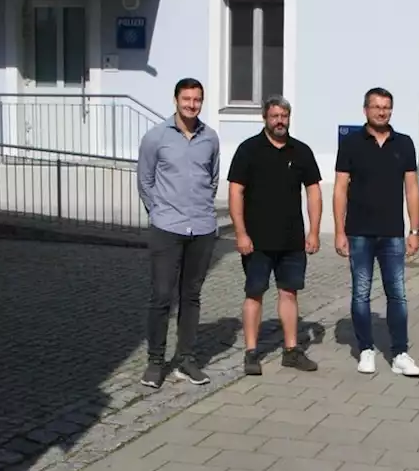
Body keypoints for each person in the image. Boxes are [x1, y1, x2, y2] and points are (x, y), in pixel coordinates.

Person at [228, 96, 323, 376]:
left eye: (284, 115)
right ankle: (251, 352)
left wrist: (314, 231)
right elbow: (236, 192)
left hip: (291, 239)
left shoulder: (301, 151)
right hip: (256, 240)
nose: (279, 121)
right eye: (274, 116)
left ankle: (292, 351)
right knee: (254, 293)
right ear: (264, 118)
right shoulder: (249, 150)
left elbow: (314, 191)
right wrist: (241, 233)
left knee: (289, 292)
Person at [333, 87, 419, 377]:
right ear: (365, 110)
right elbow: (340, 188)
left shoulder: (405, 143)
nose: (382, 112)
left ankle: (400, 353)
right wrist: (338, 230)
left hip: (393, 233)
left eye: (387, 107)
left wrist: (414, 229)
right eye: (376, 107)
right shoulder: (351, 143)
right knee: (361, 294)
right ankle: (366, 349)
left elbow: (411, 188)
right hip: (359, 232)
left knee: (397, 294)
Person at [136, 78, 221, 388]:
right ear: (175, 100)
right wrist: (158, 212)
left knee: (191, 296)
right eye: (186, 99)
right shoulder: (156, 138)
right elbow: (145, 181)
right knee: (161, 296)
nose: (192, 105)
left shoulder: (210, 138)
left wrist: (199, 209)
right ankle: (156, 362)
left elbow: (212, 180)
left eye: (197, 99)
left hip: (201, 227)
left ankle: (186, 359)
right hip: (166, 228)